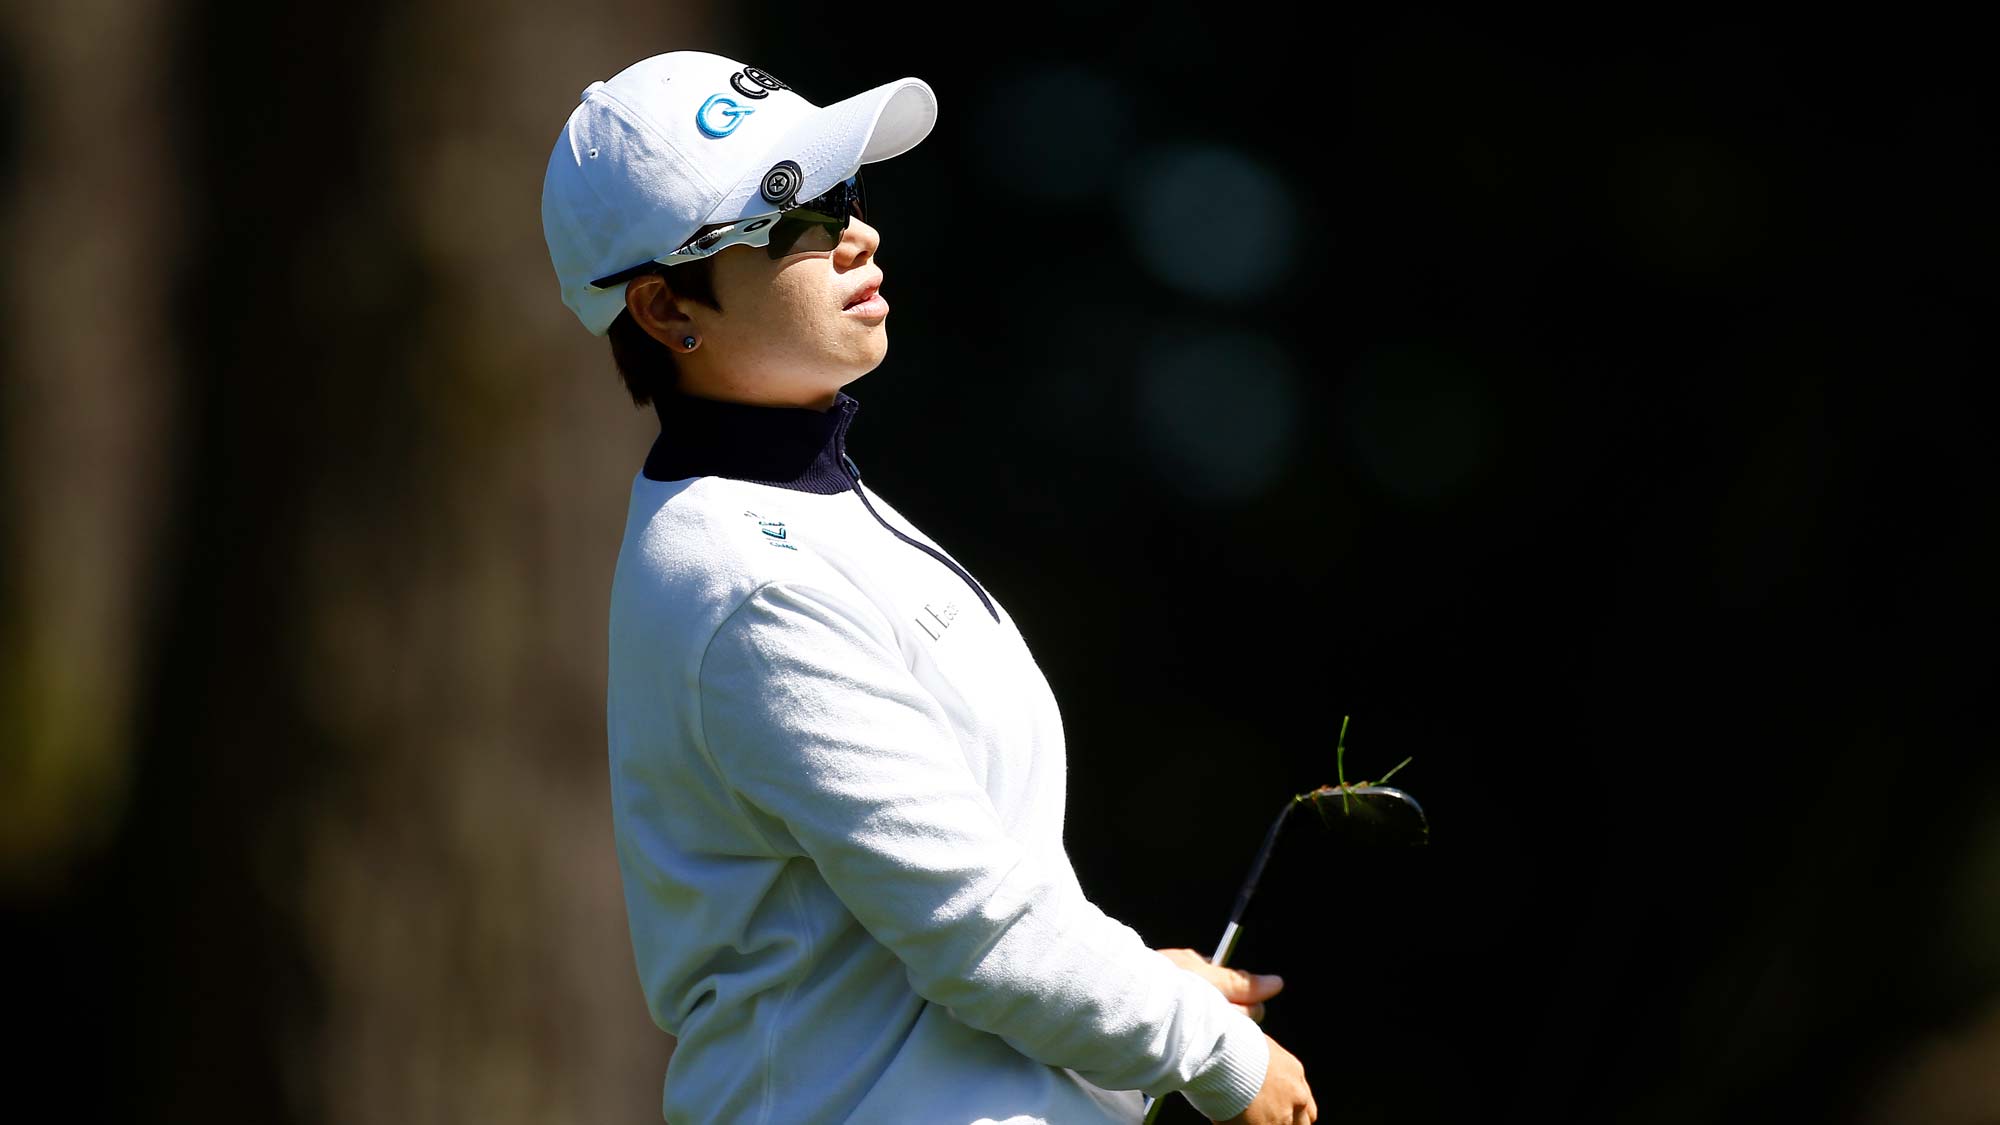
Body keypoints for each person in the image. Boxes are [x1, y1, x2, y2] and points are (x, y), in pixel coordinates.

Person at [540, 50, 1318, 1125]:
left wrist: (1145, 987)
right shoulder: (750, 576)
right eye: (793, 217)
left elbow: (955, 897)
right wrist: (1211, 1052)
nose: (856, 234)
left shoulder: (802, 509)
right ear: (668, 309)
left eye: (844, 195)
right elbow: (980, 936)